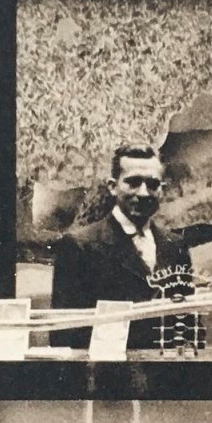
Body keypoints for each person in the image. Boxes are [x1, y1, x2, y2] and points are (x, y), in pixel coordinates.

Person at [49, 145, 192, 350]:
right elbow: (64, 334)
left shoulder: (175, 245)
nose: (143, 193)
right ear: (112, 186)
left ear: (162, 189)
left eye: (153, 184)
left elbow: (187, 324)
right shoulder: (79, 245)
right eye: (133, 183)